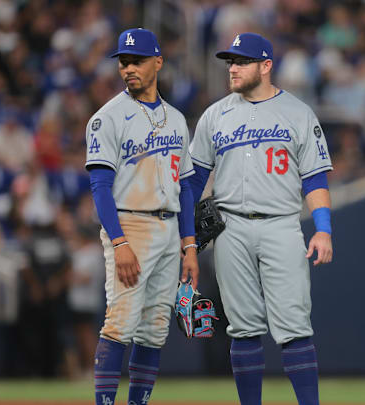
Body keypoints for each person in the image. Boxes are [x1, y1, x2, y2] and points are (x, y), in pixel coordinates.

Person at [188, 32, 333, 405]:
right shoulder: (214, 115)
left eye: (241, 61)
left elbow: (314, 177)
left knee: (294, 326)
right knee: (243, 328)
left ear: (265, 66)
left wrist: (323, 230)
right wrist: (186, 239)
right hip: (230, 226)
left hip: (281, 223)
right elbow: (195, 181)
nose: (233, 68)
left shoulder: (298, 112)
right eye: (230, 62)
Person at [85, 28, 198, 405]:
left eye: (136, 61)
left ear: (158, 63)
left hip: (169, 228)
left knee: (154, 331)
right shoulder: (107, 118)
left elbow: (185, 187)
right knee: (120, 324)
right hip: (129, 224)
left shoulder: (177, 120)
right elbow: (100, 187)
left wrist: (190, 246)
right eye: (123, 62)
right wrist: (118, 241)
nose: (128, 68)